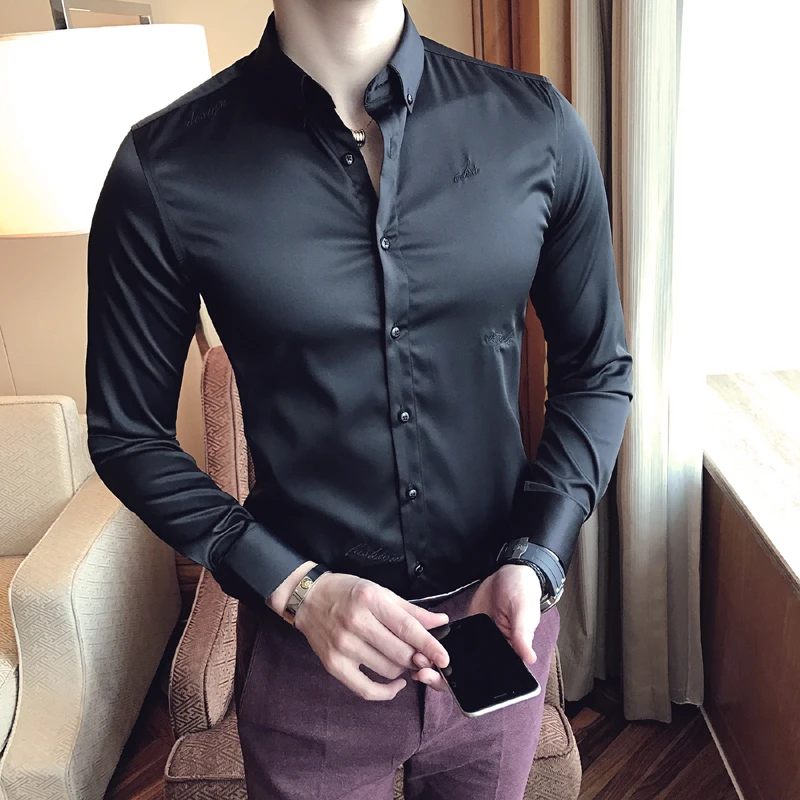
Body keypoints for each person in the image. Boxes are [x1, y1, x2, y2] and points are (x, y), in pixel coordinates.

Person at [84, 0, 633, 797]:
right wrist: (295, 588)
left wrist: (538, 555)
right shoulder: (165, 167)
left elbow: (597, 370)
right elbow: (126, 432)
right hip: (307, 658)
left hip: (497, 633)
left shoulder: (536, 125)